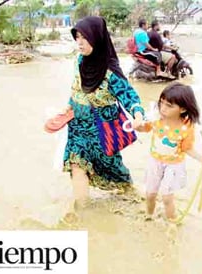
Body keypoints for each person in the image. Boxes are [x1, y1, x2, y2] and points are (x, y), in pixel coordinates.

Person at [64, 16, 145, 212]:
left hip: (102, 131)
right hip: (78, 127)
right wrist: (67, 108)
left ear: (97, 38)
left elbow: (129, 95)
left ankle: (133, 195)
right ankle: (81, 215)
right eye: (78, 37)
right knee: (76, 164)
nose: (80, 42)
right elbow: (76, 88)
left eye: (85, 37)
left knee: (115, 172)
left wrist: (138, 115)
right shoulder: (79, 60)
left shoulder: (110, 71)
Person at [136, 82, 202, 221]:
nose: (163, 108)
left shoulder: (186, 127)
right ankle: (149, 216)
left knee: (167, 197)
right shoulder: (156, 119)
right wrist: (137, 125)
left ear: (182, 109)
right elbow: (144, 128)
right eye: (161, 103)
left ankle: (172, 222)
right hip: (155, 161)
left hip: (174, 165)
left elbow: (186, 148)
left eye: (169, 106)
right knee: (150, 194)